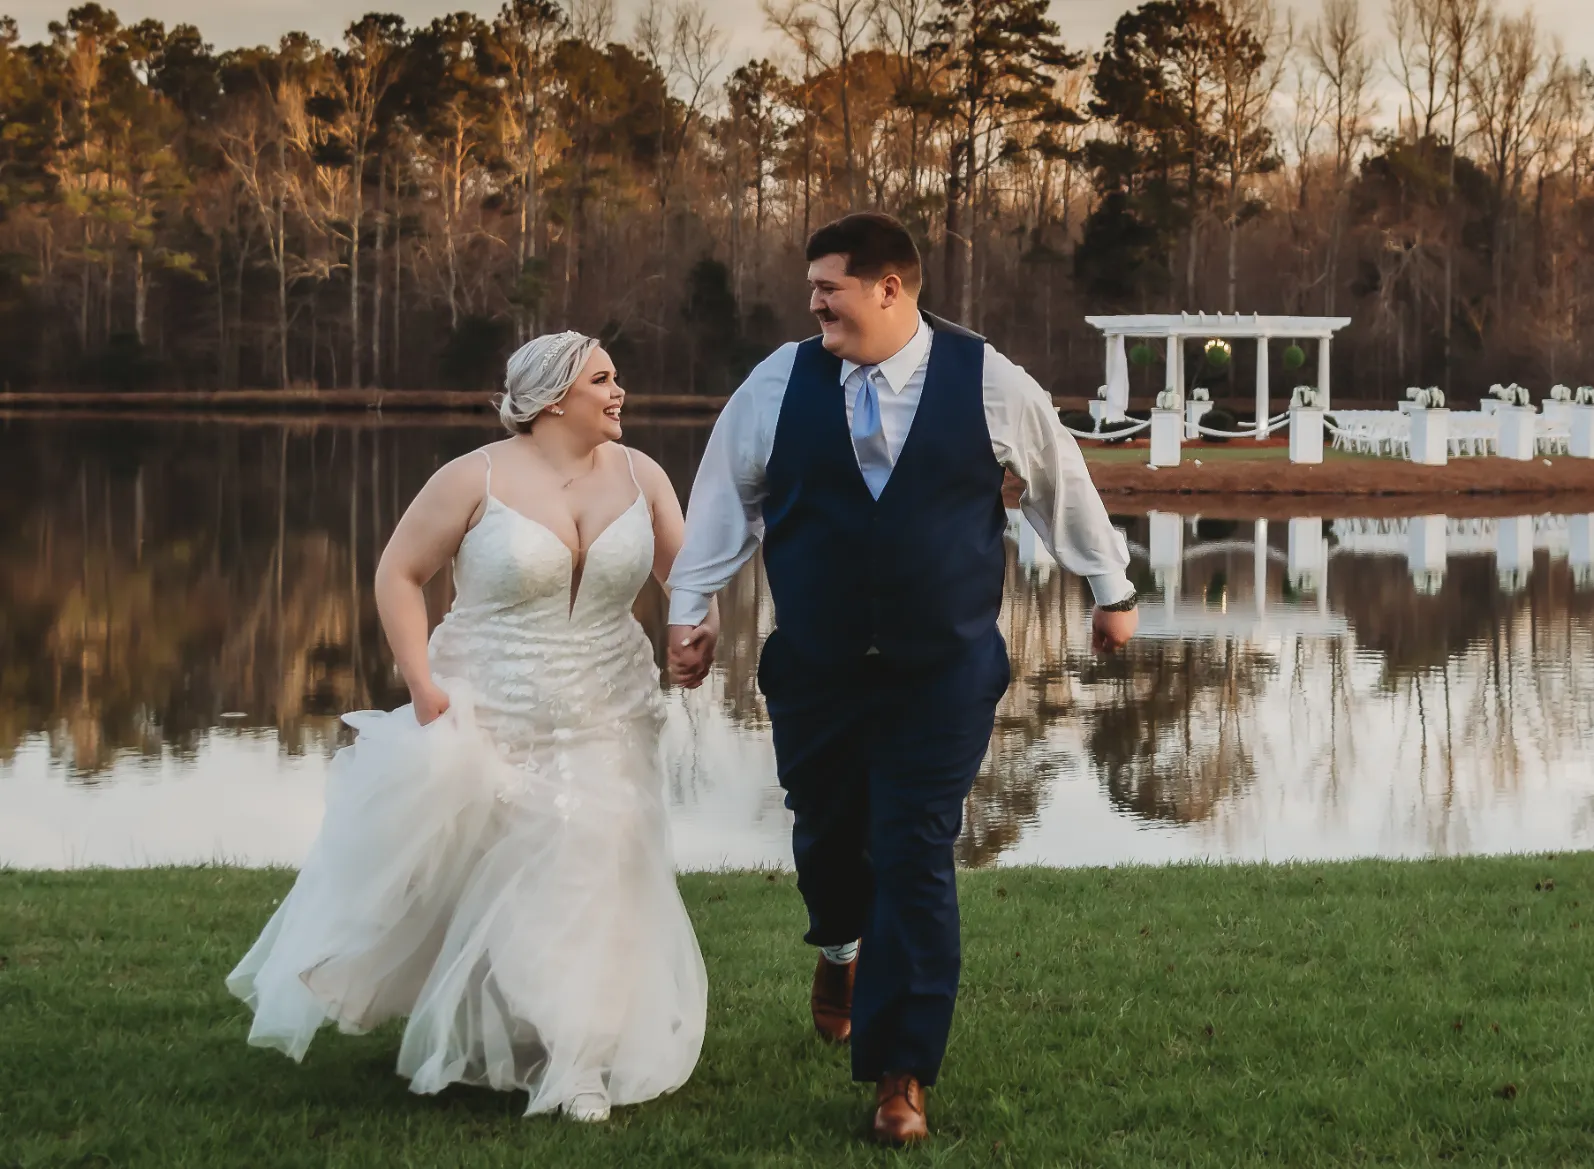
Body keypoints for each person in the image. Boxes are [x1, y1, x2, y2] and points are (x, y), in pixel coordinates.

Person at [665, 212, 1138, 1145]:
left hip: (945, 669)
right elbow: (724, 494)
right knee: (829, 834)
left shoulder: (989, 379)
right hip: (818, 667)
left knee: (916, 846)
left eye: (828, 287)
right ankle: (839, 946)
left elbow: (1057, 477)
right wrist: (693, 606)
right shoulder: (778, 383)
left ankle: (902, 1072)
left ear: (889, 288)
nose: (813, 304)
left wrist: (1110, 585)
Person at [227, 332, 712, 1123]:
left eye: (616, 377)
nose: (620, 391)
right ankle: (514, 1023)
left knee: (597, 862)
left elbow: (687, 574)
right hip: (491, 698)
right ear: (554, 398)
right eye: (604, 379)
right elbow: (398, 572)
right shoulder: (472, 477)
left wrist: (698, 628)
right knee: (498, 868)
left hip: (610, 704)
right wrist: (419, 681)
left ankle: (580, 1054)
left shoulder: (643, 474)